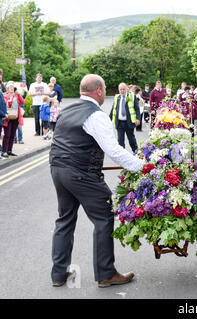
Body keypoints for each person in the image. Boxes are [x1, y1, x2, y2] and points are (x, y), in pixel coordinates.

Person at [50, 74, 144, 288]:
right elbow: (112, 149)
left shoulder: (67, 109)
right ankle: (106, 273)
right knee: (103, 218)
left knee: (64, 220)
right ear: (99, 91)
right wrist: (141, 166)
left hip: (58, 170)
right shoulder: (96, 115)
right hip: (81, 173)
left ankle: (59, 274)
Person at [109, 83, 141, 153]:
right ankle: (122, 156)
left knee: (132, 140)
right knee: (120, 141)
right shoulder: (117, 97)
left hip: (129, 122)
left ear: (127, 89)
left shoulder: (132, 96)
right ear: (118, 90)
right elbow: (113, 109)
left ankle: (137, 153)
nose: (122, 91)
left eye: (123, 89)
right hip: (119, 123)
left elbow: (137, 109)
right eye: (120, 89)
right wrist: (108, 120)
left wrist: (138, 118)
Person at [2, 81, 24, 158]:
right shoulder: (5, 95)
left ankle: (9, 150)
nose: (12, 89)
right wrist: (11, 99)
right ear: (7, 88)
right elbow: (6, 105)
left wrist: (18, 94)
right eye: (10, 88)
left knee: (12, 135)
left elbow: (22, 102)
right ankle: (4, 151)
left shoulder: (16, 95)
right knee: (7, 135)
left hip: (15, 117)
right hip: (8, 118)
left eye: (13, 88)